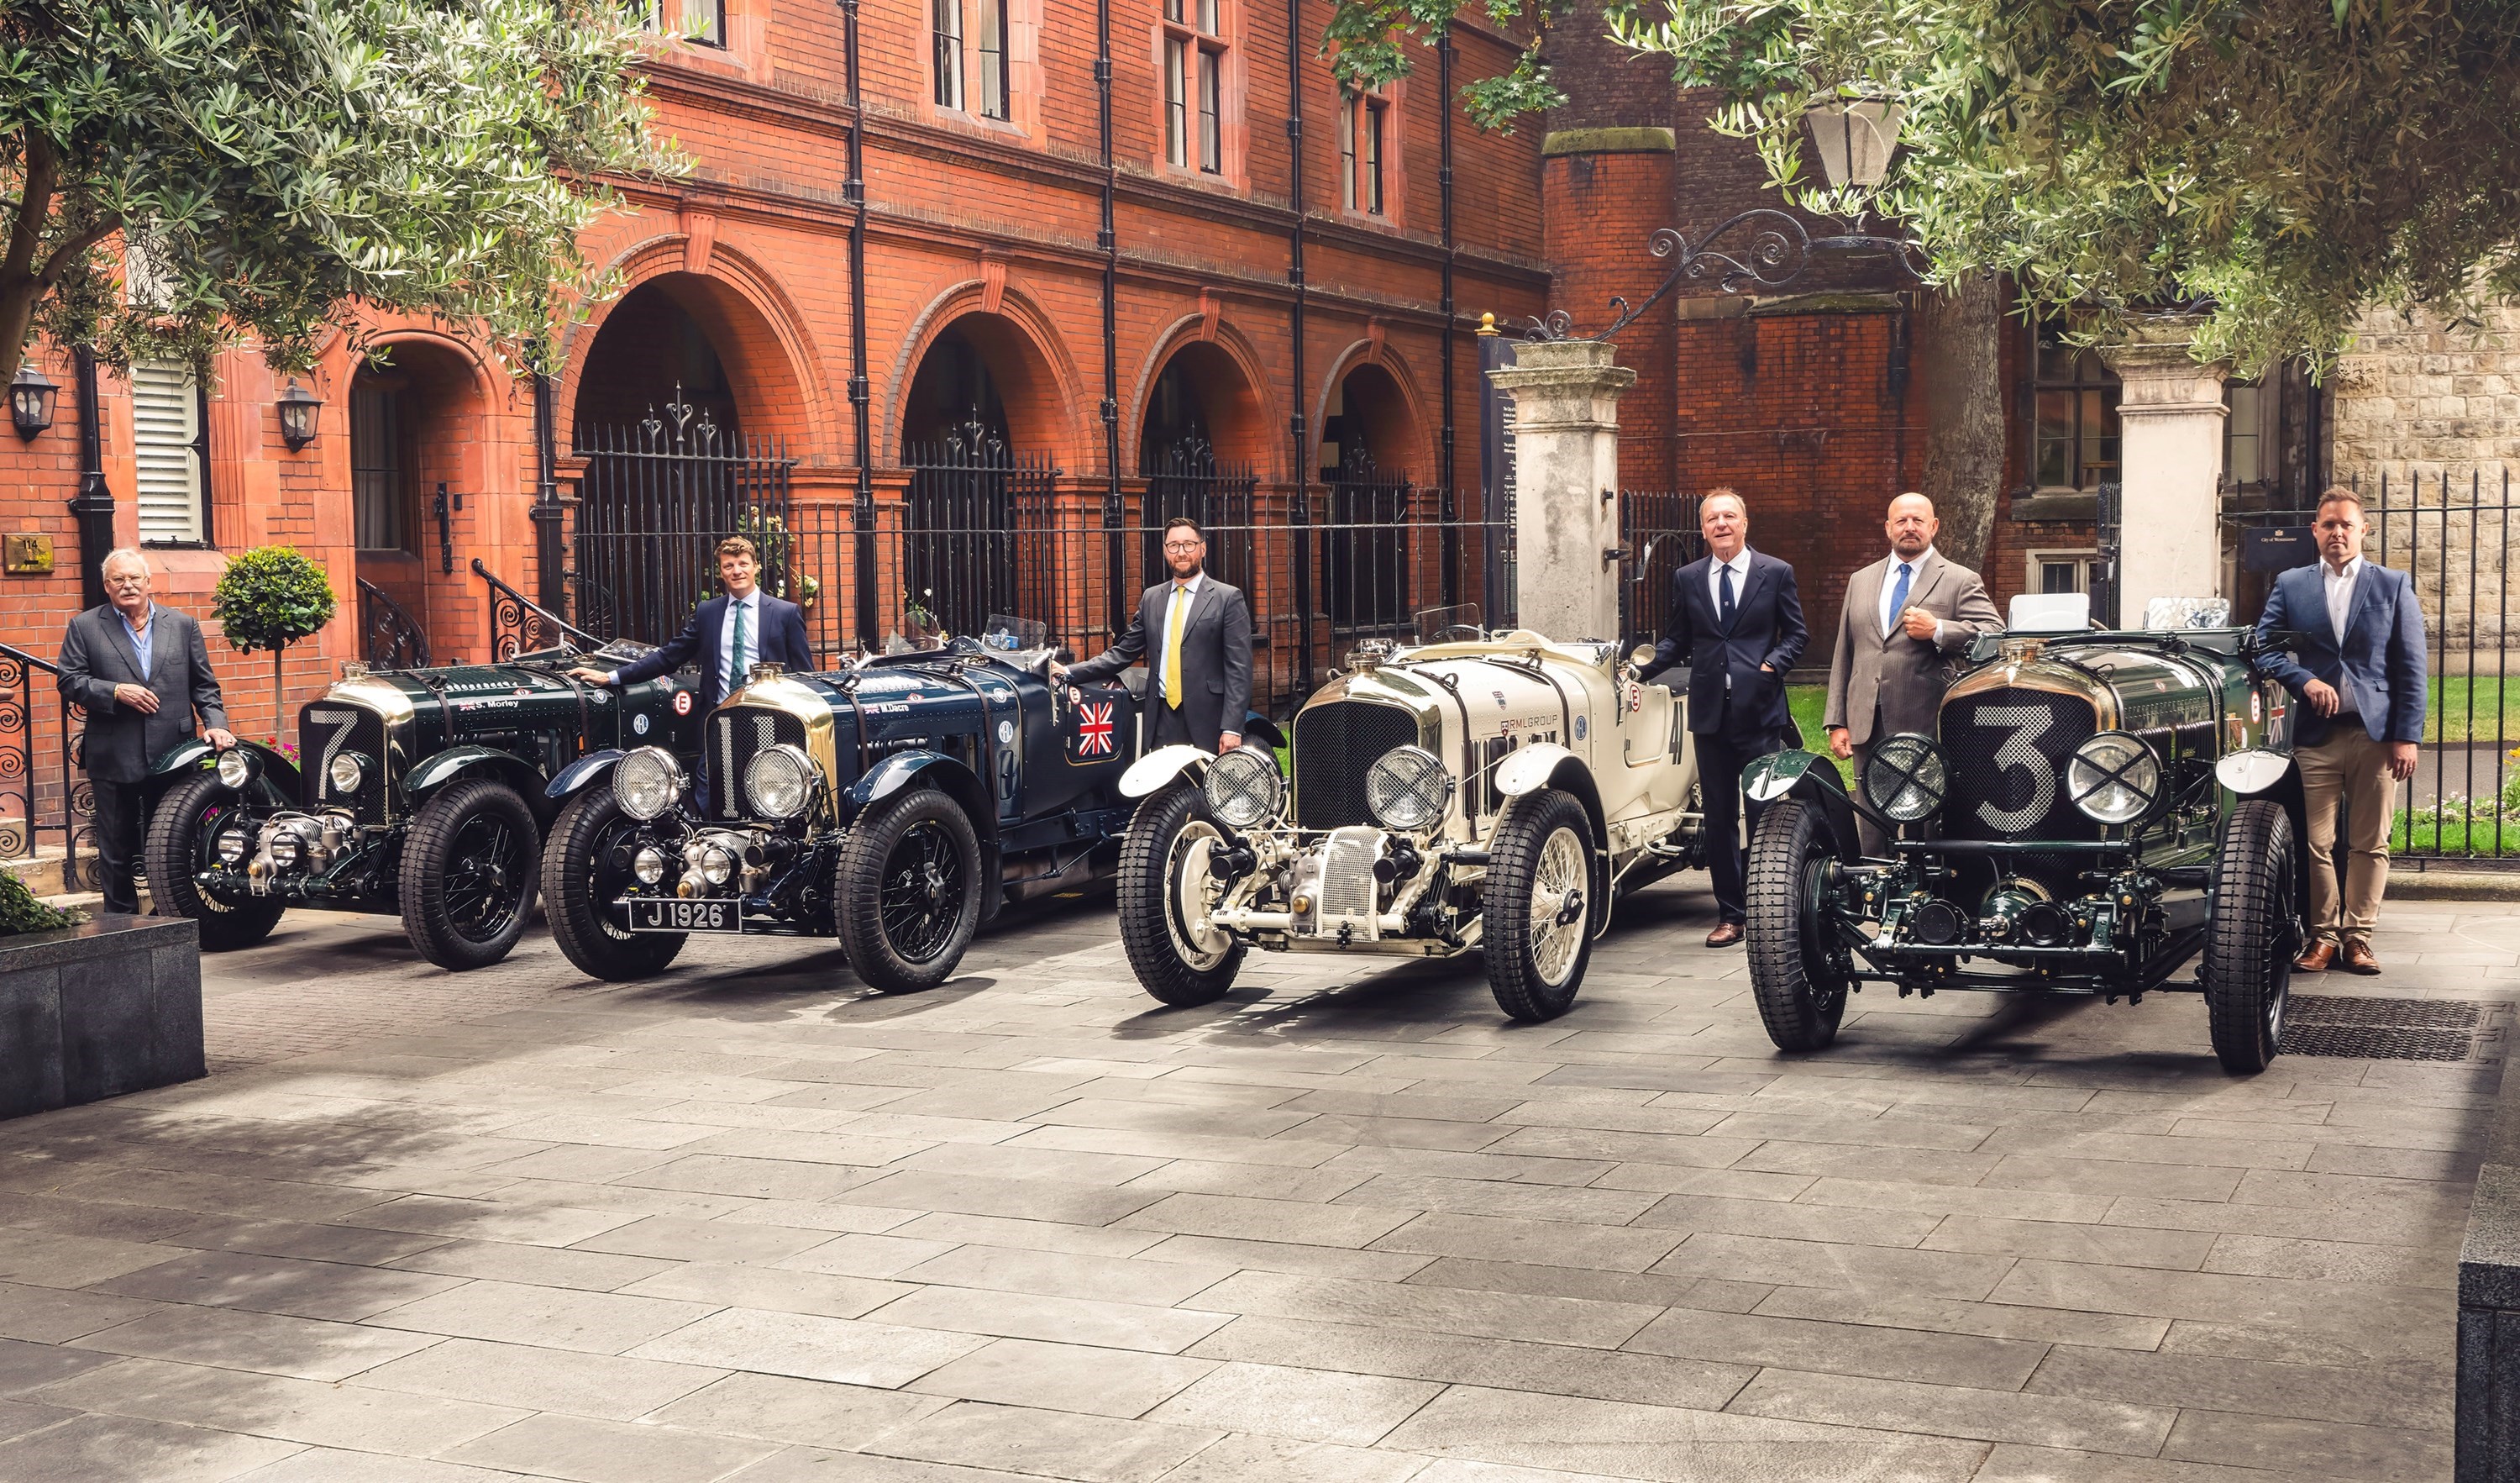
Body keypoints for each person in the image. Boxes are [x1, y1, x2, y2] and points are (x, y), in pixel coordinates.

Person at [2253, 487, 2426, 976]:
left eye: (2347, 525)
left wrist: (2407, 736)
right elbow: (2263, 648)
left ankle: (2359, 937)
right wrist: (2303, 680)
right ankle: (2322, 936)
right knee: (2316, 842)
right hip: (2317, 737)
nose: (2338, 533)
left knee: (2370, 842)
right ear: (2315, 530)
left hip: (2376, 736)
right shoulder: (2292, 584)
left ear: (2363, 529)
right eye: (2328, 525)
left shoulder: (2392, 585)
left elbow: (2411, 668)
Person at [1647, 489, 1807, 947]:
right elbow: (1677, 640)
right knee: (1718, 818)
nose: (1722, 524)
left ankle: (1766, 912)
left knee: (1762, 816)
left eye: (1729, 516)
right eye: (1713, 518)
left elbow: (1796, 633)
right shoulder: (1689, 577)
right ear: (1703, 529)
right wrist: (1640, 667)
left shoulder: (1775, 573)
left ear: (1744, 523)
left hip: (1760, 713)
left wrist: (1771, 666)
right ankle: (1730, 915)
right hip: (1710, 716)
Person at [57, 549, 235, 915]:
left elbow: (204, 686)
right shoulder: (86, 626)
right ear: (107, 586)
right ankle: (121, 925)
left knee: (172, 844)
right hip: (113, 752)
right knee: (116, 847)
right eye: (119, 580)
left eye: (135, 578)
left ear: (149, 582)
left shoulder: (182, 624)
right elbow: (70, 681)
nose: (128, 586)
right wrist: (115, 691)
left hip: (173, 752)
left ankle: (172, 918)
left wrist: (216, 725)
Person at [1824, 492, 2002, 855]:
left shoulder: (1959, 579)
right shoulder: (1861, 580)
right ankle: (1876, 899)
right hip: (1867, 721)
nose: (1910, 528)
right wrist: (1837, 720)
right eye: (1901, 521)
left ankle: (1930, 899)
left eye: (1918, 521)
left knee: (1928, 817)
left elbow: (1995, 637)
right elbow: (1846, 651)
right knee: (1873, 818)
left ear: (1933, 527)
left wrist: (1939, 629)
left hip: (1928, 719)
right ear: (1888, 528)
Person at [1057, 517, 1253, 752]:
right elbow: (1122, 653)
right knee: (1165, 788)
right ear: (1165, 551)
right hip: (1161, 716)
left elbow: (1239, 668)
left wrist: (1232, 728)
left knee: (1205, 787)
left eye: (1188, 544)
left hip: (1208, 718)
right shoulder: (1152, 598)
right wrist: (1068, 671)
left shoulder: (1227, 597)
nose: (1181, 552)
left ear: (1203, 548)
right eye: (1173, 546)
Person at [570, 535, 811, 708]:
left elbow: (804, 674)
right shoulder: (709, 612)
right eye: (729, 566)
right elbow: (669, 656)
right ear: (721, 572)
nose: (736, 571)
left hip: (771, 714)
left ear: (756, 567)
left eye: (743, 564)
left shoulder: (784, 613)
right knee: (711, 780)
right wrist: (611, 677)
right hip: (719, 715)